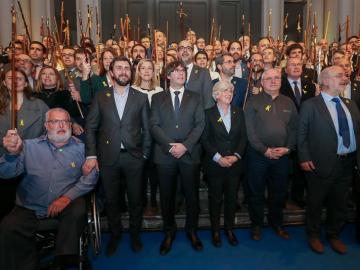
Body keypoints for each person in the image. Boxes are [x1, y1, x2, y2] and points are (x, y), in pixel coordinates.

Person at [0, 108, 98, 270]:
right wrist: (12, 155)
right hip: (30, 206)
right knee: (8, 226)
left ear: (70, 125)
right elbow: (5, 173)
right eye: (54, 121)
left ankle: (62, 260)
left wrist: (66, 198)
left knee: (78, 207)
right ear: (46, 125)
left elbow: (91, 177)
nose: (61, 125)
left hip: (66, 206)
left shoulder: (82, 149)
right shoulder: (27, 146)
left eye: (65, 121)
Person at [83, 56, 151, 255]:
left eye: (127, 69)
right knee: (112, 200)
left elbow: (147, 129)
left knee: (136, 199)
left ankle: (135, 235)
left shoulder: (140, 97)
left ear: (132, 73)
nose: (123, 71)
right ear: (111, 72)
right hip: (108, 157)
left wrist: (145, 154)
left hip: (134, 157)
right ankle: (115, 235)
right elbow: (91, 127)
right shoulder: (100, 96)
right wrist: (91, 155)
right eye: (119, 68)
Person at [297, 66, 360, 254]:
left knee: (340, 202)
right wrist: (304, 157)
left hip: (348, 162)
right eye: (338, 75)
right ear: (325, 80)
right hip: (319, 162)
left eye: (344, 75)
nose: (344, 78)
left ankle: (333, 234)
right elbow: (301, 134)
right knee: (315, 202)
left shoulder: (350, 104)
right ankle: (314, 235)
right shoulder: (310, 105)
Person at [150, 60, 205, 255]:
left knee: (192, 196)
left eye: (183, 71)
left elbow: (200, 124)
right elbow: (154, 125)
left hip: (189, 154)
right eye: (176, 71)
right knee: (166, 197)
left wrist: (185, 146)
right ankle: (169, 232)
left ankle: (192, 231)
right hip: (165, 155)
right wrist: (170, 146)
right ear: (168, 75)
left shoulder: (196, 97)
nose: (181, 73)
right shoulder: (157, 98)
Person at [244, 68, 298, 241]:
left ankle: (277, 224)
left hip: (282, 157)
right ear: (262, 82)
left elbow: (294, 129)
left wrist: (288, 148)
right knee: (256, 193)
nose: (273, 81)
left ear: (281, 81)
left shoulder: (288, 102)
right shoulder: (253, 101)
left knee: (279, 192)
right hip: (258, 156)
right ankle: (256, 225)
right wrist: (264, 150)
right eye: (269, 78)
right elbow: (249, 131)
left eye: (276, 78)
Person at [202, 81, 247, 247]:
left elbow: (243, 137)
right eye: (224, 90)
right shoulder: (208, 114)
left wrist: (236, 156)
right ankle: (215, 231)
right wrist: (218, 157)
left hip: (234, 165)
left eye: (230, 91)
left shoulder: (239, 112)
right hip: (215, 165)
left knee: (231, 199)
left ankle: (229, 229)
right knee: (215, 200)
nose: (229, 93)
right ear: (216, 95)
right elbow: (205, 139)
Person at [0, 68, 49, 220]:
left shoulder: (39, 105)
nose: (15, 81)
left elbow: (50, 129)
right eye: (10, 78)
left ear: (26, 83)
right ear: (3, 82)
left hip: (32, 162)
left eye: (20, 78)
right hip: (4, 162)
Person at [132, 59, 163, 214]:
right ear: (138, 71)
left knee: (154, 172)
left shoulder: (160, 90)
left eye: (149, 68)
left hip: (157, 139)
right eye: (142, 68)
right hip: (139, 139)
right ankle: (143, 202)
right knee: (141, 172)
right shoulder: (132, 90)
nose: (146, 71)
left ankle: (153, 202)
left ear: (154, 71)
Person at [33, 66, 84, 137]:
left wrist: (78, 99)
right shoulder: (33, 96)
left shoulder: (65, 94)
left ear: (57, 78)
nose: (47, 76)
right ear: (40, 78)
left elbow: (74, 113)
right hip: (39, 131)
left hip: (60, 130)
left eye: (51, 74)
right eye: (44, 73)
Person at [177, 39, 214, 109]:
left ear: (193, 52)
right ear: (177, 53)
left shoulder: (203, 72)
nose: (185, 50)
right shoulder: (172, 71)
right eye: (182, 48)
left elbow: (208, 100)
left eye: (188, 48)